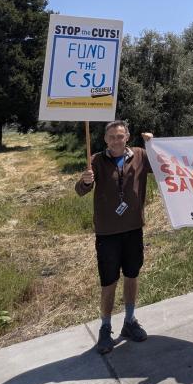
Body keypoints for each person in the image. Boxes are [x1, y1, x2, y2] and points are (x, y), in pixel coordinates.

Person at [75, 120, 155, 354]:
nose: (116, 141)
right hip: (107, 233)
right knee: (109, 282)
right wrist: (85, 181)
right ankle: (105, 327)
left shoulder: (140, 155)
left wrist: (154, 144)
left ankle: (129, 322)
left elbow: (165, 163)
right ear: (105, 139)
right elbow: (80, 190)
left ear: (127, 136)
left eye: (120, 136)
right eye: (111, 137)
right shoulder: (97, 160)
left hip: (133, 229)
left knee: (132, 275)